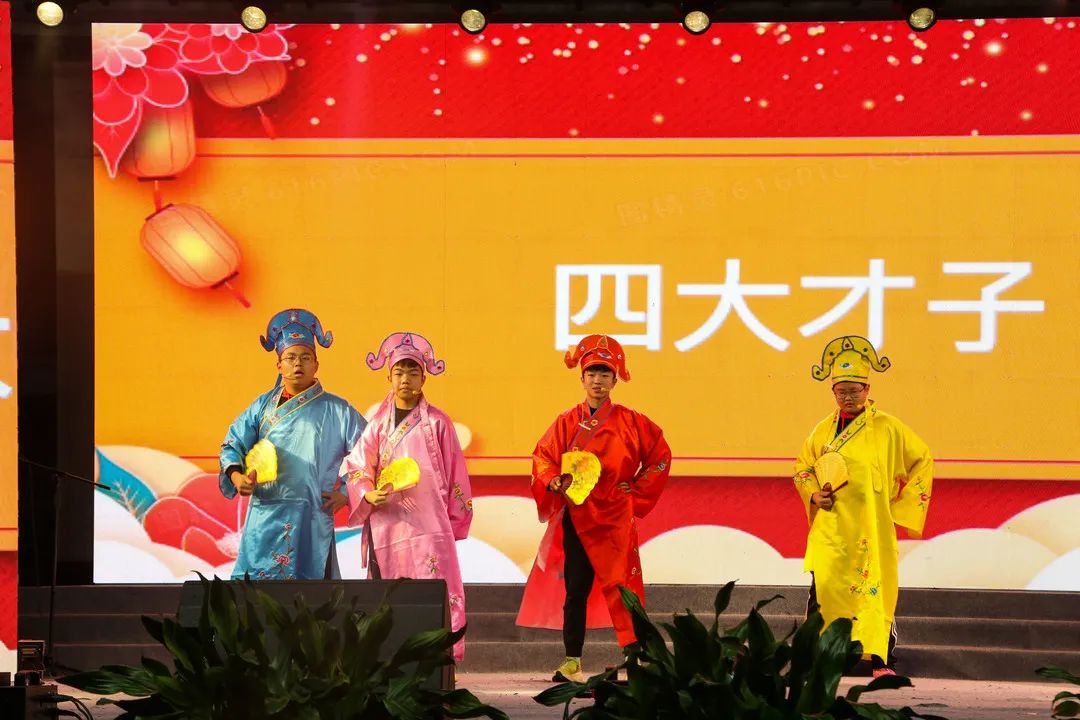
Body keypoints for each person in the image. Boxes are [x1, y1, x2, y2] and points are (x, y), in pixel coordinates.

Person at [516, 334, 671, 682]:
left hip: (616, 515)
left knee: (623, 588)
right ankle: (572, 660)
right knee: (576, 589)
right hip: (579, 514)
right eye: (591, 373)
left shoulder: (633, 421)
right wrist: (553, 480)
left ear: (615, 380)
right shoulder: (565, 421)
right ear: (582, 378)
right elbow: (543, 457)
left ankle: (633, 658)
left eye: (604, 374)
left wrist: (636, 490)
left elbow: (660, 456)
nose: (597, 380)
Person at [793, 335, 933, 677]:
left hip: (871, 526)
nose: (848, 397)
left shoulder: (889, 428)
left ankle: (881, 660)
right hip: (832, 528)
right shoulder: (822, 431)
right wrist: (813, 494)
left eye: (855, 390)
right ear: (833, 392)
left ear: (867, 389)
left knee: (875, 593)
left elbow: (922, 460)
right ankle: (819, 658)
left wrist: (899, 509)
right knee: (824, 590)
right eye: (841, 391)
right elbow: (802, 469)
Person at [342, 332, 473, 661]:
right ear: (389, 377)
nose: (405, 379)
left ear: (423, 378)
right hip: (387, 524)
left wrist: (455, 521)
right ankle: (389, 662)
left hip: (430, 525)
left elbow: (456, 474)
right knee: (389, 595)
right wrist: (366, 494)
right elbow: (358, 466)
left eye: (412, 372)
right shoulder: (376, 426)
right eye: (399, 372)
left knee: (433, 589)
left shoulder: (439, 422)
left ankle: (437, 662)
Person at [219, 308, 365, 580]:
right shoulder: (262, 407)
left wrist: (347, 492)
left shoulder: (339, 411)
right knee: (257, 592)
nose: (298, 364)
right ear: (279, 365)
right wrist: (237, 477)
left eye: (305, 357)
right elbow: (232, 444)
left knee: (312, 593)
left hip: (312, 512)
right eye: (290, 358)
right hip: (265, 513)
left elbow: (370, 452)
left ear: (316, 364)